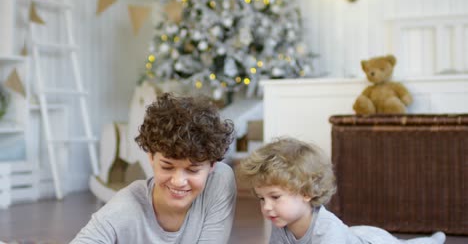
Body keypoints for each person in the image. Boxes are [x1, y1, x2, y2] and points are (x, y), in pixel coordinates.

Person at [71, 93, 236, 243]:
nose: (178, 181)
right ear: (151, 156)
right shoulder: (126, 207)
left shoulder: (219, 180)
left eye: (193, 170)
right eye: (167, 166)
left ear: (212, 164)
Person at [237, 137, 446, 244]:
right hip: (353, 233)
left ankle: (433, 240)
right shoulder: (280, 222)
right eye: (262, 199)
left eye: (274, 197)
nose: (267, 207)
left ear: (306, 192)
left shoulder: (327, 230)